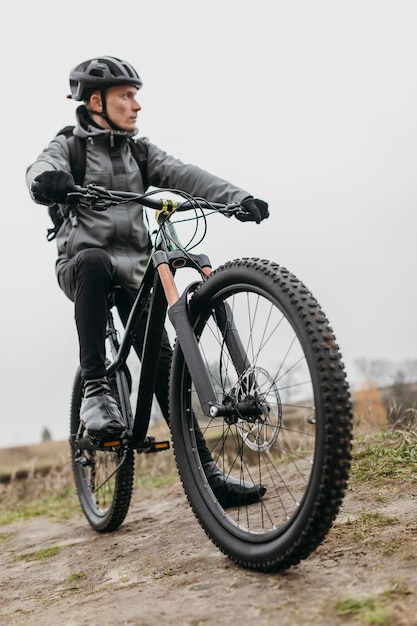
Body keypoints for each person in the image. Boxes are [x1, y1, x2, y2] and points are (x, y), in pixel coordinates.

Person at [26, 56, 269, 507]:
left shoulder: (139, 152)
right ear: (96, 101)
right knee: (95, 260)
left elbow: (186, 175)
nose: (136, 105)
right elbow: (37, 170)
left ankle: (209, 477)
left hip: (135, 268)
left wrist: (238, 198)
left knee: (161, 364)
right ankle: (96, 390)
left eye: (136, 95)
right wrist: (49, 182)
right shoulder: (70, 148)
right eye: (126, 96)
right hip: (84, 268)